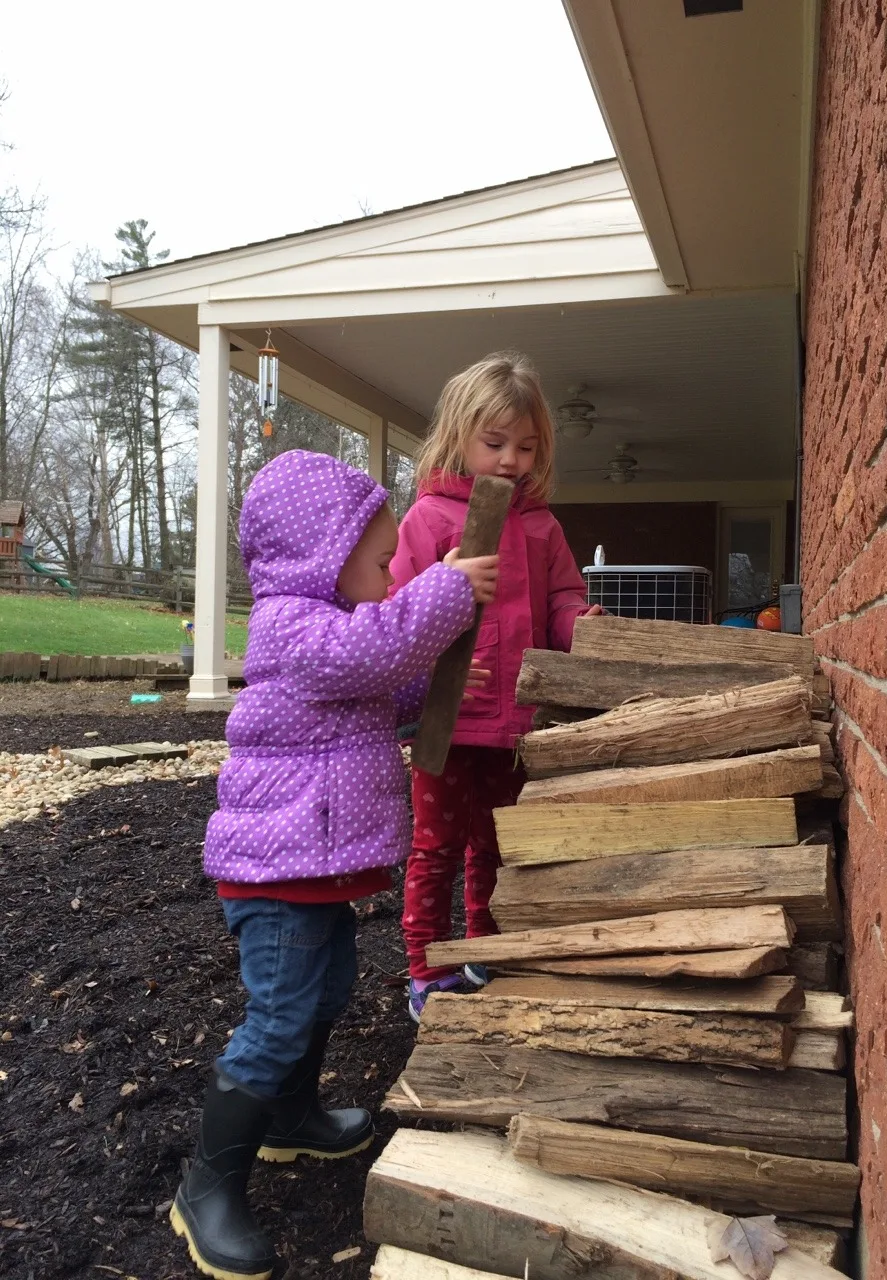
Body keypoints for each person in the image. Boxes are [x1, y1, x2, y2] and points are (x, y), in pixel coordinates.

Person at [170, 449, 498, 1280]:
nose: (392, 574)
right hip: (276, 877)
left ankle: (291, 1118)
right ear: (325, 553)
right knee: (279, 1015)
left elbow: (377, 691)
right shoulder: (294, 627)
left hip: (311, 869)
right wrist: (445, 594)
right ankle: (205, 1189)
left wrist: (437, 689)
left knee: (326, 990)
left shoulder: (330, 640)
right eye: (382, 560)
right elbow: (368, 656)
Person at [391, 351, 600, 1023]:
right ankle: (426, 967)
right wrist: (440, 586)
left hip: (517, 719)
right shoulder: (429, 520)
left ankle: (487, 946)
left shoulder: (542, 526)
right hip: (448, 720)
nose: (511, 459)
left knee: (499, 843)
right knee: (435, 847)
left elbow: (561, 600)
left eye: (526, 447)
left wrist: (582, 626)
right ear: (458, 436)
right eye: (495, 443)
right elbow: (398, 609)